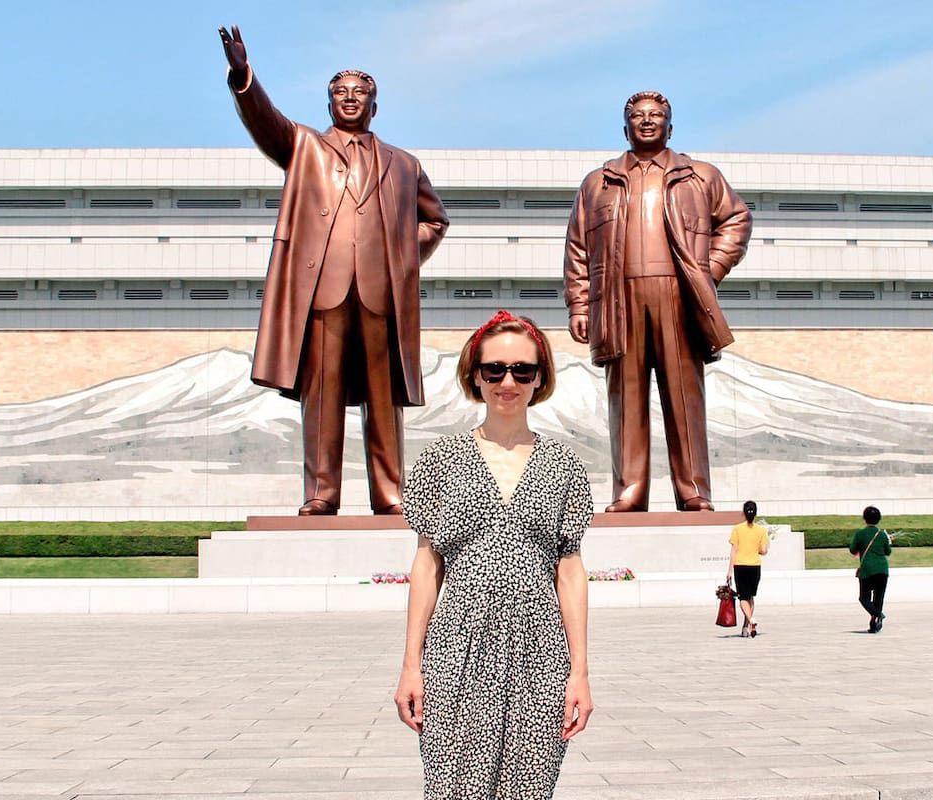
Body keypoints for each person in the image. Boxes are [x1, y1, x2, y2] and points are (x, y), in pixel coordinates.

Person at [218, 26, 449, 516]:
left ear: (375, 106)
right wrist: (243, 76)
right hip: (323, 289)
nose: (350, 98)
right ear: (329, 105)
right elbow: (265, 123)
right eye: (340, 93)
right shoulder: (304, 148)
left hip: (380, 293)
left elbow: (436, 219)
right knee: (321, 395)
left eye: (360, 92)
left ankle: (390, 493)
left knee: (383, 398)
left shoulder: (403, 165)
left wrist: (404, 256)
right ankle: (322, 492)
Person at [394, 310, 595, 798]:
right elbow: (427, 564)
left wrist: (581, 672)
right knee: (451, 787)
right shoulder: (439, 460)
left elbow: (569, 569)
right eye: (495, 370)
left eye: (522, 370)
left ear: (539, 378)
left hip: (540, 653)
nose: (509, 381)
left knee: (530, 787)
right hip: (455, 650)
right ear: (475, 375)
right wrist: (410, 664)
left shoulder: (564, 465)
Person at [563, 91, 752, 513]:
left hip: (678, 295)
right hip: (618, 297)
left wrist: (709, 269)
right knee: (625, 399)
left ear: (670, 124)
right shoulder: (599, 182)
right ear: (624, 125)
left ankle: (694, 489)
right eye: (637, 115)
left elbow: (737, 219)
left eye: (656, 115)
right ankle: (629, 489)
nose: (647, 121)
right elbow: (577, 246)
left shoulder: (699, 176)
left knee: (685, 396)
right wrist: (579, 305)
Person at [726, 500, 770, 637]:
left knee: (743, 598)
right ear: (755, 513)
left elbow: (734, 550)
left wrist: (729, 571)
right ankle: (746, 627)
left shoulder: (737, 529)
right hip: (755, 566)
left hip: (740, 566)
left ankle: (750, 620)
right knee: (750, 597)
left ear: (743, 513)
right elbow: (763, 551)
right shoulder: (761, 530)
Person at [850, 506, 892, 633]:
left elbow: (853, 550)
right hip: (882, 570)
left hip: (867, 570)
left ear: (864, 518)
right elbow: (888, 552)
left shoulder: (860, 534)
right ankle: (875, 623)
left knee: (864, 598)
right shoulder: (883, 534)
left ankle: (877, 614)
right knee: (878, 598)